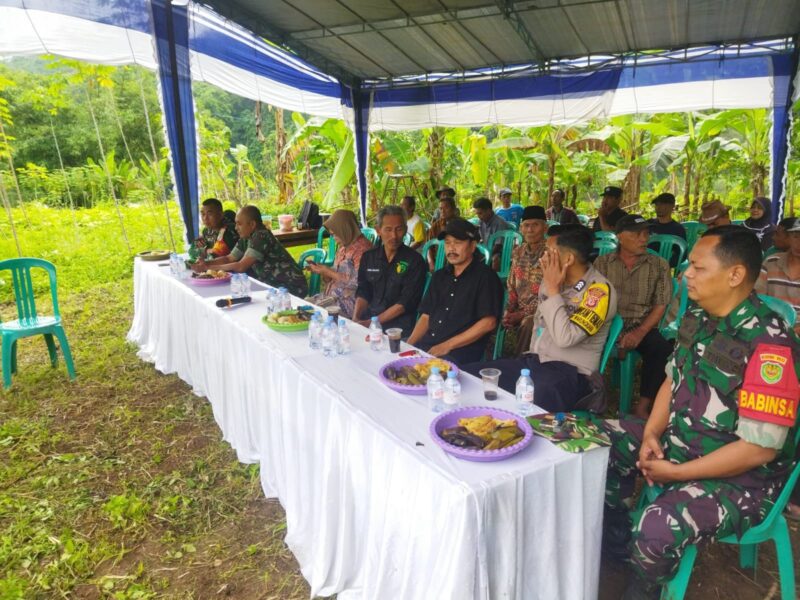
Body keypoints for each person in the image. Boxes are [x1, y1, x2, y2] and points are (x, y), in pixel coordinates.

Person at [601, 226, 800, 600]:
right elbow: (670, 380)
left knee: (658, 527)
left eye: (697, 267)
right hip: (683, 441)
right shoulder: (699, 317)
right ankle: (618, 542)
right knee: (599, 441)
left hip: (744, 478)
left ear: (735, 275)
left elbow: (758, 450)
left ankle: (643, 586)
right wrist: (651, 434)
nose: (685, 274)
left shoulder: (770, 345)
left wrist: (677, 473)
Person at [464, 224, 618, 412]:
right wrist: (553, 288)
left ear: (568, 259)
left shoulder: (598, 291)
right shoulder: (551, 282)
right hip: (535, 363)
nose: (542, 257)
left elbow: (565, 338)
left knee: (531, 401)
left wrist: (553, 291)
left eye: (549, 253)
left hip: (573, 374)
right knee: (470, 377)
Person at [594, 215, 674, 419]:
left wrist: (639, 332)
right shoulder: (602, 263)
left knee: (661, 348)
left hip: (642, 324)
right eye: (637, 234)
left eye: (646, 233)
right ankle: (591, 394)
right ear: (620, 237)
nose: (643, 239)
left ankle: (643, 405)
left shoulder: (659, 264)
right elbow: (594, 298)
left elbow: (661, 304)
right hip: (608, 324)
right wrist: (613, 332)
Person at [407, 218, 503, 365]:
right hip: (429, 346)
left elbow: (488, 323)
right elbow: (426, 316)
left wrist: (447, 345)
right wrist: (408, 344)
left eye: (457, 243)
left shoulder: (485, 277)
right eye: (447, 243)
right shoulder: (439, 276)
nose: (451, 249)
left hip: (459, 352)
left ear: (472, 246)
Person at [191, 205, 307, 297]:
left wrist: (207, 268)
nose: (236, 228)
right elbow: (229, 258)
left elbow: (241, 266)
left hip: (291, 287)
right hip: (273, 286)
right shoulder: (246, 237)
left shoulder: (261, 236)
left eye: (239, 224)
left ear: (252, 224)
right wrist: (206, 264)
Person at [354, 206, 427, 337]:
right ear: (378, 230)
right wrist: (356, 319)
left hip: (398, 329)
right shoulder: (368, 257)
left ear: (405, 230)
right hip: (368, 320)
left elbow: (404, 304)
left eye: (399, 229)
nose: (394, 236)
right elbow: (363, 291)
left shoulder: (415, 261)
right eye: (388, 229)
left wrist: (372, 323)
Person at [305, 209, 373, 318]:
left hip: (350, 303)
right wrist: (322, 272)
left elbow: (357, 283)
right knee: (304, 304)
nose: (334, 238)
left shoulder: (364, 250)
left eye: (335, 234)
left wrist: (327, 271)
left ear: (345, 230)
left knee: (310, 313)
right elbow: (331, 280)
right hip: (332, 297)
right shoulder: (343, 248)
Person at [502, 206, 547, 355]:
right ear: (521, 228)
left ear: (545, 228)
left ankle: (520, 363)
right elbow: (511, 285)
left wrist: (521, 314)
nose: (530, 230)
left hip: (543, 310)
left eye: (535, 225)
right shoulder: (518, 252)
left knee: (528, 323)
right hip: (519, 308)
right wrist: (509, 310)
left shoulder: (551, 254)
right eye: (526, 225)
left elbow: (548, 295)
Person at [755, 218, 800, 330]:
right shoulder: (771, 263)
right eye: (796, 237)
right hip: (769, 330)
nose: (799, 243)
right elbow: (756, 300)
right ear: (789, 238)